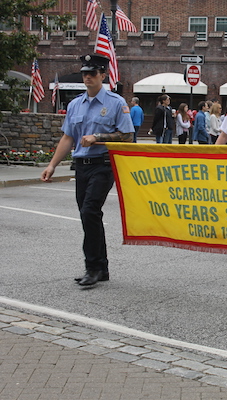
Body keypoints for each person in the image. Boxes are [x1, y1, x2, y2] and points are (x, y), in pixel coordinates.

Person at [40, 54, 134, 286]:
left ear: (103, 75)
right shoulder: (75, 104)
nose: (87, 77)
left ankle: (92, 267)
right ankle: (101, 267)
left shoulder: (115, 102)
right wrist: (52, 165)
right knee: (88, 216)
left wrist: (98, 137)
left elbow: (127, 136)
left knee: (90, 211)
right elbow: (67, 137)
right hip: (81, 167)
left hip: (103, 165)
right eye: (84, 73)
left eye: (92, 73)